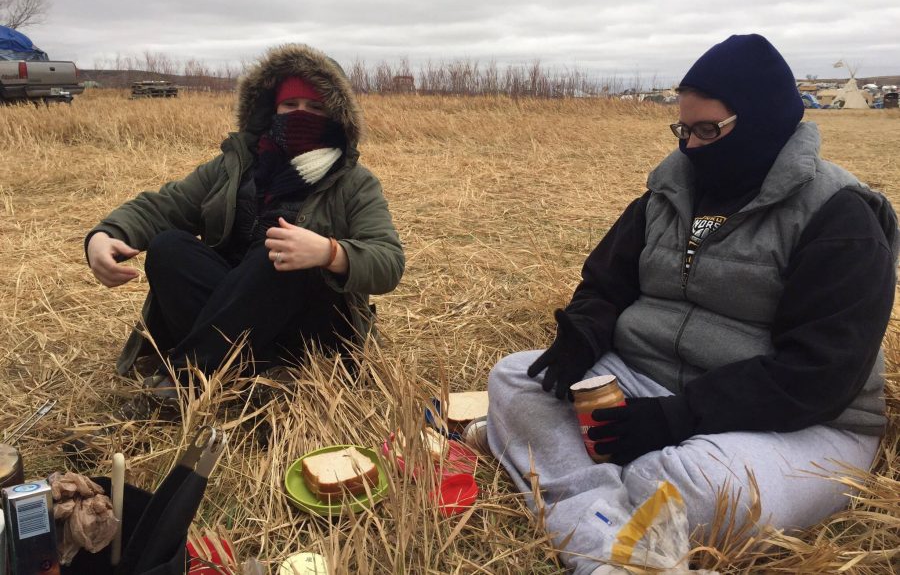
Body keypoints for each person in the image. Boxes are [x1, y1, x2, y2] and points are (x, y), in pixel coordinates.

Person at [486, 34, 898, 574]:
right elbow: (605, 285)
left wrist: (678, 418)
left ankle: (600, 522)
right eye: (684, 129)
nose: (692, 147)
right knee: (516, 377)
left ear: (764, 122)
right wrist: (580, 338)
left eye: (709, 130)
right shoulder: (667, 194)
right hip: (649, 383)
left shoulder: (839, 217)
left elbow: (820, 374)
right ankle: (612, 529)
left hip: (801, 424)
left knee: (694, 486)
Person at [85, 44, 404, 408]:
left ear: (336, 117)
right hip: (235, 312)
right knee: (169, 247)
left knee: (280, 251)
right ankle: (253, 376)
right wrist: (106, 234)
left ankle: (186, 380)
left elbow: (389, 261)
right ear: (272, 109)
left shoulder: (354, 182)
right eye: (290, 105)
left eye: (316, 107)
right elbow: (164, 206)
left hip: (309, 328)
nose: (301, 115)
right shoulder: (235, 167)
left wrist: (331, 252)